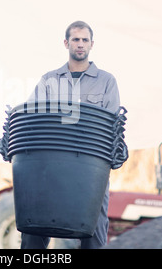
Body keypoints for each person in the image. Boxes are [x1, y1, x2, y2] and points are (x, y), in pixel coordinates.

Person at [21, 20, 121, 249]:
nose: (80, 44)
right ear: (66, 43)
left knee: (95, 225)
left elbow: (111, 124)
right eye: (75, 39)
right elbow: (31, 116)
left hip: (91, 167)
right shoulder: (49, 80)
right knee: (34, 225)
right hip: (50, 165)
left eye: (85, 40)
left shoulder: (107, 82)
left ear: (92, 44)